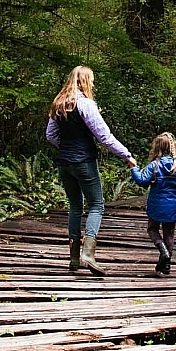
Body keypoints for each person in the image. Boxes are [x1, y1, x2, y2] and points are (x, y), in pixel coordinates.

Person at [45, 65, 137, 276]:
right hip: (84, 162)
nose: (93, 84)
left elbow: (50, 135)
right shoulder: (86, 105)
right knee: (97, 204)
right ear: (84, 81)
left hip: (64, 163)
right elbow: (104, 136)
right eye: (91, 80)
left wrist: (66, 148)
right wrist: (126, 155)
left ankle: (74, 258)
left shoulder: (58, 105)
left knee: (75, 206)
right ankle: (88, 253)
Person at [128, 132, 176, 276]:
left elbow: (142, 181)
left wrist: (134, 168)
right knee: (169, 233)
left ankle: (163, 251)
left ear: (157, 147)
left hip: (156, 205)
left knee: (152, 229)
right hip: (172, 206)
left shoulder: (154, 165)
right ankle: (166, 265)